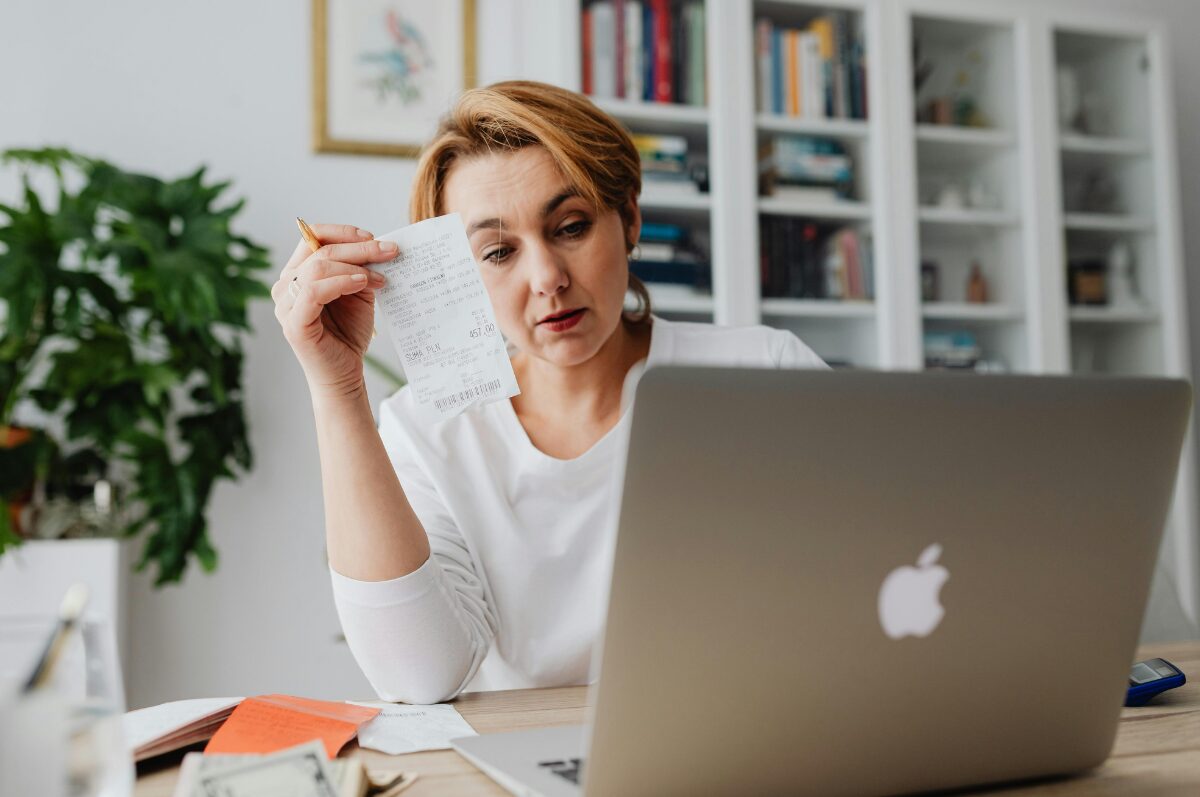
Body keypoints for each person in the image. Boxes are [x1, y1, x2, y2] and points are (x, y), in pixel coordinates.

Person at [272, 81, 828, 704]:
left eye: (571, 226)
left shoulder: (767, 373)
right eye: (499, 251)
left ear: (630, 219)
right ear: (459, 272)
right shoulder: (429, 432)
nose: (547, 279)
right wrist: (338, 387)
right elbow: (418, 675)